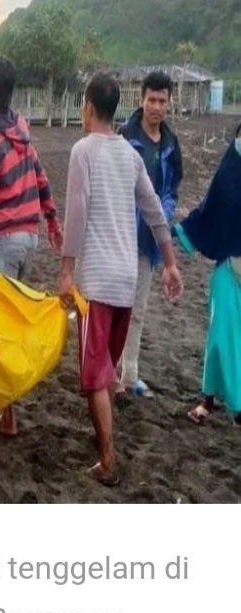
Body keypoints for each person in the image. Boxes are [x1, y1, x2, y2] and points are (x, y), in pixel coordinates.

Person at [60, 73, 183, 487]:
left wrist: (66, 270)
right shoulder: (130, 155)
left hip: (97, 281)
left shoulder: (83, 151)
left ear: (88, 107)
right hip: (127, 279)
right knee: (107, 370)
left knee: (94, 374)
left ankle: (108, 459)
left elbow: (76, 213)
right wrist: (170, 263)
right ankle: (105, 443)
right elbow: (155, 211)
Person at [0, 54, 63, 437]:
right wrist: (52, 220)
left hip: (6, 241)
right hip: (30, 237)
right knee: (8, 323)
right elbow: (40, 176)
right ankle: (8, 414)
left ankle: (7, 416)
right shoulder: (21, 129)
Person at [117, 71, 183, 397]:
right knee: (115, 305)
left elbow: (171, 191)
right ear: (141, 100)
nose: (156, 106)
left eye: (162, 101)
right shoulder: (124, 137)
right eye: (151, 100)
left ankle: (129, 375)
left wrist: (161, 213)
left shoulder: (171, 145)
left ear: (169, 103)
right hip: (120, 234)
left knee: (137, 310)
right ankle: (109, 371)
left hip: (149, 239)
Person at [172, 125, 241, 426]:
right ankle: (209, 399)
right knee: (220, 337)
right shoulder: (229, 172)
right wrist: (180, 230)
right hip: (230, 266)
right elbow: (211, 207)